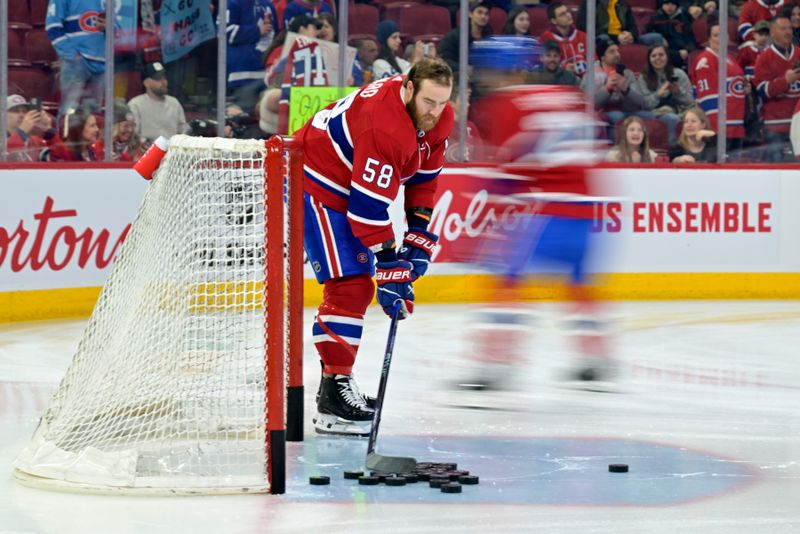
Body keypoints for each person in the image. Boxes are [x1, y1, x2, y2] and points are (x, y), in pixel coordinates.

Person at [293, 58, 454, 435]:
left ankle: (335, 387)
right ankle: (333, 399)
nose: (435, 113)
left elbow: (424, 181)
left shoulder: (437, 118)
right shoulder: (385, 126)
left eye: (443, 103)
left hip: (343, 182)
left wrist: (416, 236)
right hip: (314, 178)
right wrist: (390, 263)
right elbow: (367, 210)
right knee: (351, 284)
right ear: (409, 88)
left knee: (357, 285)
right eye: (429, 102)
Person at [690, 17, 747, 153]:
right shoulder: (705, 60)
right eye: (716, 35)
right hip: (719, 129)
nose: (721, 38)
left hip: (735, 125)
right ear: (709, 39)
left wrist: (744, 88)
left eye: (723, 34)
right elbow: (707, 99)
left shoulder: (731, 59)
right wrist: (715, 129)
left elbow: (734, 87)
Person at [46, 0, 106, 115]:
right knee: (69, 110)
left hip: (101, 62)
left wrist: (108, 27)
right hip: (76, 63)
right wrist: (72, 55)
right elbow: (52, 27)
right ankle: (65, 133)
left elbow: (117, 28)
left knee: (94, 114)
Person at [754, 13, 800, 161]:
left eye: (789, 28)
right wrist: (785, 81)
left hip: (798, 124)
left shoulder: (799, 52)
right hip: (776, 126)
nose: (788, 32)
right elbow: (761, 90)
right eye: (783, 28)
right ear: (772, 32)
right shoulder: (764, 58)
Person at [580, 38, 646, 140]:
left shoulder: (626, 72)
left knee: (648, 115)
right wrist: (607, 89)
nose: (617, 54)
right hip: (602, 112)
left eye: (617, 50)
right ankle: (617, 150)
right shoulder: (592, 74)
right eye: (612, 51)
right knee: (617, 116)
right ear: (602, 57)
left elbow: (640, 102)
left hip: (625, 110)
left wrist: (627, 91)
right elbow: (589, 103)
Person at [636, 43, 694, 145]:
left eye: (661, 55)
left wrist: (678, 92)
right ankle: (671, 148)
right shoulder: (643, 77)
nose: (658, 58)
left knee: (682, 117)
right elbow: (644, 104)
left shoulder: (679, 74)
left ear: (667, 56)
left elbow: (690, 101)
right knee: (671, 118)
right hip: (654, 112)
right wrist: (658, 94)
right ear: (649, 59)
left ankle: (681, 149)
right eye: (653, 56)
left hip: (678, 110)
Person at [226, 0, 277, 111]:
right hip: (242, 74)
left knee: (263, 116)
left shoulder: (268, 5)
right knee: (244, 115)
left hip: (266, 74)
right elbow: (225, 32)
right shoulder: (233, 3)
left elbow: (275, 36)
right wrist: (257, 31)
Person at [127, 62, 188, 143]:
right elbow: (133, 135)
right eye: (158, 78)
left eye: (164, 78)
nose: (163, 82)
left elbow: (183, 130)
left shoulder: (174, 103)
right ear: (146, 83)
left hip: (172, 151)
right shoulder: (135, 104)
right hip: (146, 152)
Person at [439, 0, 493, 76]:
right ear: (470, 14)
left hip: (483, 77)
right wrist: (462, 68)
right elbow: (444, 59)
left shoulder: (489, 36)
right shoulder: (454, 36)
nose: (483, 16)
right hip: (459, 77)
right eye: (479, 12)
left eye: (486, 14)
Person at [577, 0, 663, 46]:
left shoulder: (623, 4)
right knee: (603, 38)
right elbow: (585, 28)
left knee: (656, 37)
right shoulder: (590, 3)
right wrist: (617, 37)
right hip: (607, 39)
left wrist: (630, 36)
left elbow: (633, 28)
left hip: (624, 38)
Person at [540, 2, 589, 77]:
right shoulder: (545, 38)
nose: (568, 15)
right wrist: (563, 68)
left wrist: (584, 66)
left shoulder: (583, 36)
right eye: (562, 14)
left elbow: (595, 62)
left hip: (585, 79)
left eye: (568, 11)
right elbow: (543, 64)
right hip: (557, 78)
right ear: (554, 21)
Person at [646, 0, 697, 68]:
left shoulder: (684, 17)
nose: (670, 7)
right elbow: (651, 37)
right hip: (666, 49)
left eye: (673, 4)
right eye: (666, 3)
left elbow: (689, 36)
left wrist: (687, 50)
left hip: (683, 48)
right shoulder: (655, 18)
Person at [5, 95, 57, 162]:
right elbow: (5, 155)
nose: (21, 115)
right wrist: (22, 132)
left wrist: (50, 134)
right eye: (15, 111)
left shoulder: (36, 141)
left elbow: (63, 160)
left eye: (24, 111)